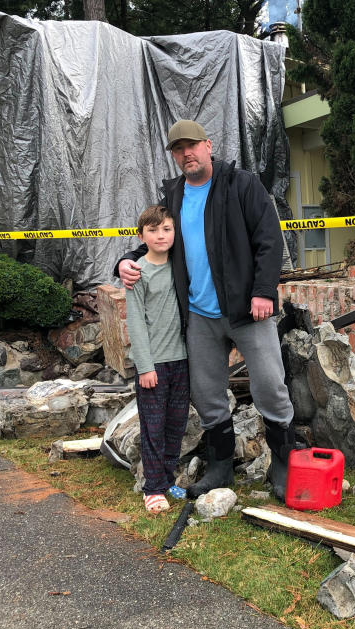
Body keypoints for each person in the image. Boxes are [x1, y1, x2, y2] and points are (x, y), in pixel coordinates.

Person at [115, 119, 295, 500]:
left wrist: (263, 291)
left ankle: (283, 462)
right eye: (178, 149)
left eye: (192, 146)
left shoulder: (241, 185)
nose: (186, 154)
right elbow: (156, 238)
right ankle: (220, 467)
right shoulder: (175, 195)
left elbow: (269, 240)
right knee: (207, 392)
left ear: (208, 145)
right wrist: (128, 259)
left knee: (269, 385)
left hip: (249, 310)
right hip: (198, 315)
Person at [125, 205, 190, 513]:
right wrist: (145, 366)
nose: (161, 235)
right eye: (153, 230)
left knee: (175, 425)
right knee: (154, 426)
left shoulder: (181, 265)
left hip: (182, 360)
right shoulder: (138, 272)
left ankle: (166, 480)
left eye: (166, 229)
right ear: (141, 236)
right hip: (155, 365)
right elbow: (135, 321)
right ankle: (152, 488)